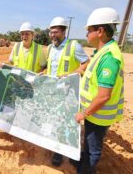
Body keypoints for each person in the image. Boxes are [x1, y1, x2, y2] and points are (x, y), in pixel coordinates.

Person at [75, 7, 124, 173]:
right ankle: (82, 163)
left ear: (100, 31)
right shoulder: (101, 52)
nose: (86, 35)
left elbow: (104, 96)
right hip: (93, 114)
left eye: (89, 31)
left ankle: (86, 170)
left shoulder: (109, 58)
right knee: (87, 144)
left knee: (93, 149)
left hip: (99, 116)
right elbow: (90, 77)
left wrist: (84, 113)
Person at [47, 16, 90, 167]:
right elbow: (51, 68)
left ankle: (65, 152)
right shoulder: (50, 47)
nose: (53, 35)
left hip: (69, 91)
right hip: (53, 90)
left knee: (67, 121)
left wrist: (73, 74)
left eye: (56, 32)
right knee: (55, 119)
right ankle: (55, 148)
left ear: (64, 31)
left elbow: (86, 63)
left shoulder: (74, 46)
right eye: (51, 32)